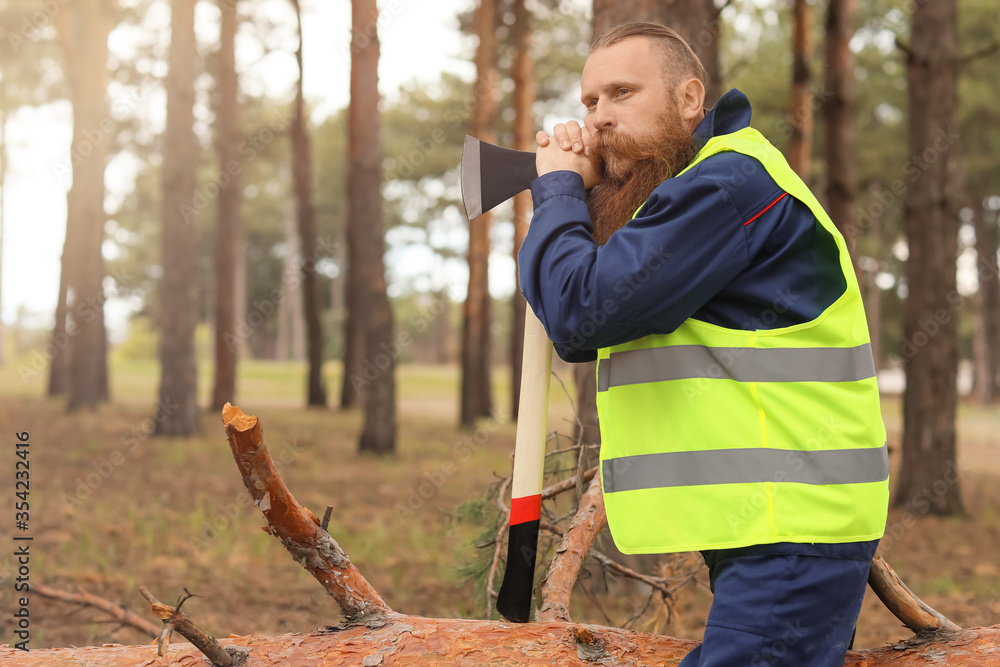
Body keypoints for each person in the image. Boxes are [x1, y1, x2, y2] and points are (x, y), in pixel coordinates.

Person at [519, 21, 890, 667]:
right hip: (769, 522)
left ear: (691, 99)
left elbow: (582, 311)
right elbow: (587, 323)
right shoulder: (691, 191)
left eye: (621, 92)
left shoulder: (726, 186)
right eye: (588, 102)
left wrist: (555, 192)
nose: (599, 118)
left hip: (793, 525)